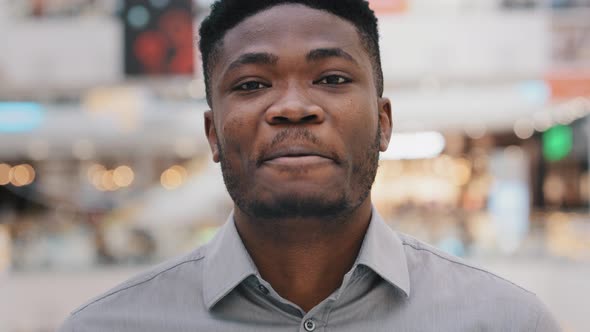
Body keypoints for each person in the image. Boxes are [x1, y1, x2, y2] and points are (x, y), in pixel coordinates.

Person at [59, 1, 560, 331]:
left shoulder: (506, 321)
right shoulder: (108, 326)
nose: (293, 107)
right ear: (213, 135)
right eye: (253, 84)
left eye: (334, 78)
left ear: (384, 123)